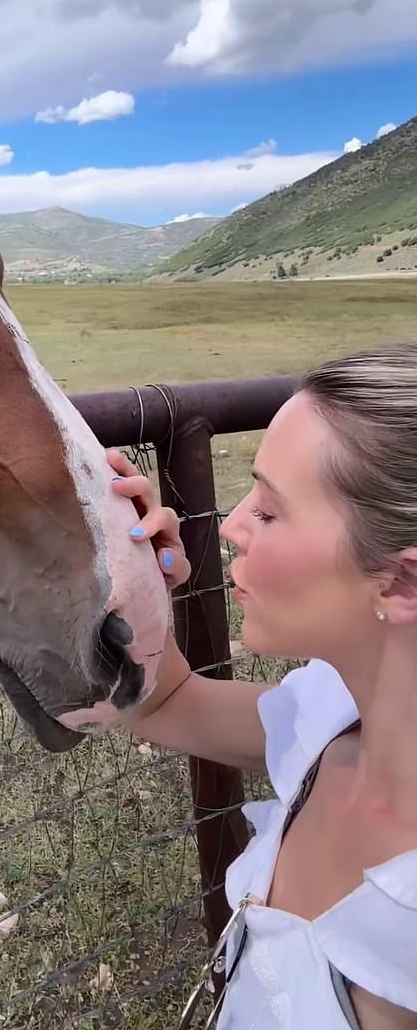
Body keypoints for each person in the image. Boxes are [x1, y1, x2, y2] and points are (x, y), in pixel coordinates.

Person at [107, 341, 417, 1030]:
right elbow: (166, 702)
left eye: (270, 512)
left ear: (401, 582)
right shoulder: (329, 720)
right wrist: (135, 586)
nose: (233, 525)